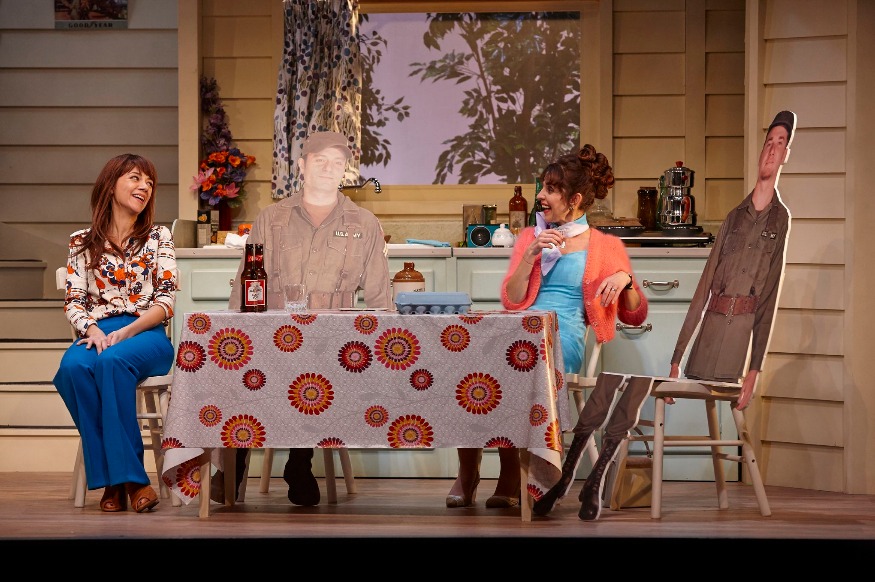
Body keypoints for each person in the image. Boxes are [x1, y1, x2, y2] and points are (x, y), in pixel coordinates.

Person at [533, 111, 796, 521]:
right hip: (705, 342)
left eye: (780, 143)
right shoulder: (734, 217)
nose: (771, 150)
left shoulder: (780, 220)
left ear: (786, 154)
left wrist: (754, 369)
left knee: (631, 382)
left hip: (737, 348)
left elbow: (769, 300)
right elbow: (703, 292)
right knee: (619, 379)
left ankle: (586, 479)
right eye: (768, 142)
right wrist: (676, 360)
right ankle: (577, 480)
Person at [445, 144, 648, 509]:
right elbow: (512, 300)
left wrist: (626, 279)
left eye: (551, 189)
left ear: (575, 200)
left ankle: (513, 474)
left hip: (562, 337)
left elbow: (634, 315)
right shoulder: (530, 237)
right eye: (543, 187)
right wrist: (529, 255)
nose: (540, 195)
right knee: (469, 359)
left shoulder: (605, 246)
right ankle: (468, 470)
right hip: (522, 328)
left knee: (520, 360)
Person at [212, 130, 392, 506]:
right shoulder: (271, 218)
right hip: (271, 336)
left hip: (333, 341)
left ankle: (299, 462)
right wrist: (235, 335)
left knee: (316, 363)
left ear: (345, 170)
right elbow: (246, 285)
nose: (328, 168)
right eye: (320, 160)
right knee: (236, 363)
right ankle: (233, 463)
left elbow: (380, 299)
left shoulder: (364, 223)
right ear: (302, 165)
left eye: (337, 163)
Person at [53, 153, 178, 513]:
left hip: (148, 333)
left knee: (112, 361)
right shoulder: (81, 241)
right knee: (72, 368)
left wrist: (127, 332)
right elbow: (74, 301)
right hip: (99, 331)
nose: (144, 187)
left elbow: (166, 301)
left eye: (149, 182)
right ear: (111, 185)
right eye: (135, 178)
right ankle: (119, 478)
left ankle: (126, 480)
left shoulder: (159, 237)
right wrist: (91, 328)